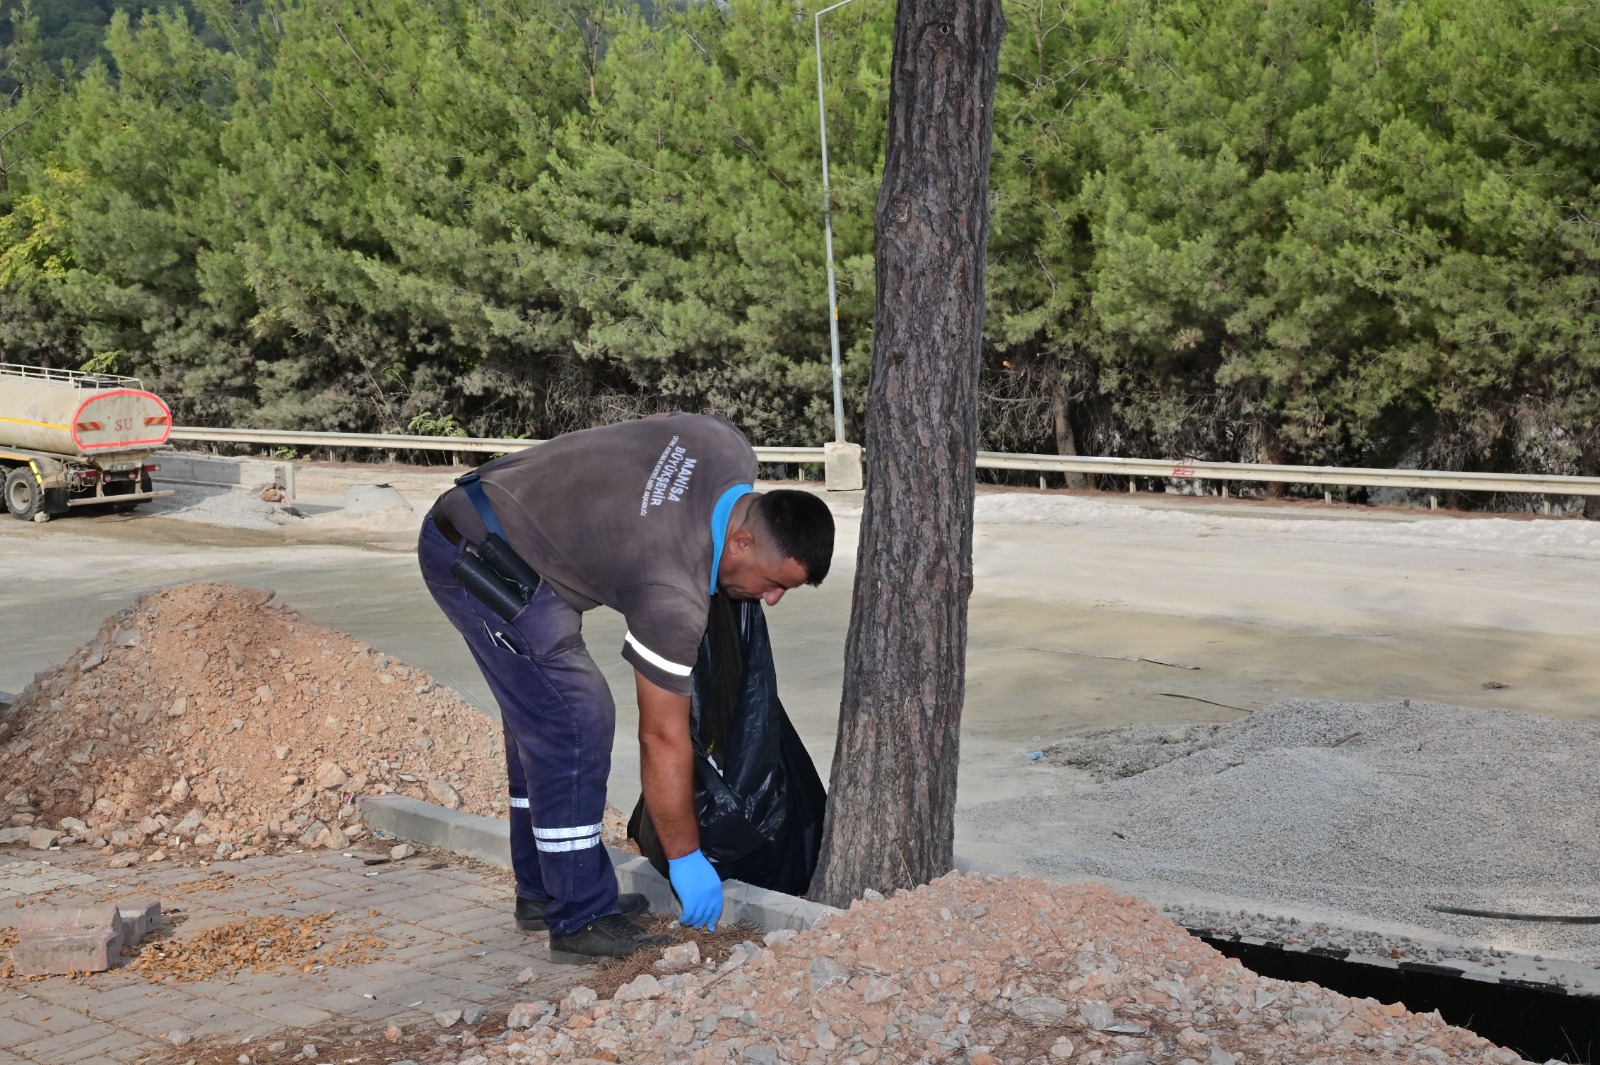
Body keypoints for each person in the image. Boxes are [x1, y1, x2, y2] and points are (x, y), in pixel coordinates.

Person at [417, 413, 835, 963]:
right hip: (479, 553)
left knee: (541, 717)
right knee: (574, 718)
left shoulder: (725, 446)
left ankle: (545, 891)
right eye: (775, 583)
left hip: (503, 509)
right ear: (741, 540)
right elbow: (661, 735)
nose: (773, 600)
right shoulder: (670, 592)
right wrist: (686, 858)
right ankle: (580, 919)